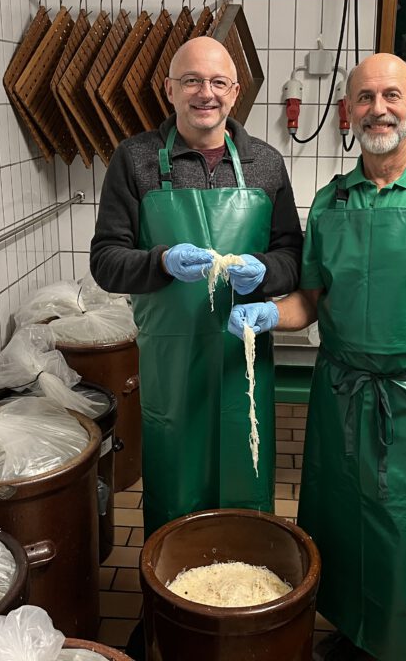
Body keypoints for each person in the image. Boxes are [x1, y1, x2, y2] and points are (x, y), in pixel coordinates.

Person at [229, 53, 406, 661]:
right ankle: (350, 634)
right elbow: (309, 301)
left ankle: (398, 645)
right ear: (348, 112)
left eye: (390, 96)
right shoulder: (330, 203)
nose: (379, 109)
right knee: (336, 520)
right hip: (339, 391)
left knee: (403, 531)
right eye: (364, 98)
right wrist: (267, 313)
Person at [90, 36, 303, 540]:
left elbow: (293, 258)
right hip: (170, 364)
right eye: (191, 81)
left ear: (235, 93)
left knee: (245, 475)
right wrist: (161, 261)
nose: (205, 93)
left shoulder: (266, 163)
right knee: (175, 484)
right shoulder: (135, 159)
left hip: (241, 358)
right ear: (169, 89)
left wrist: (265, 272)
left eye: (217, 82)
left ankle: (246, 582)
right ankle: (170, 587)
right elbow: (106, 261)